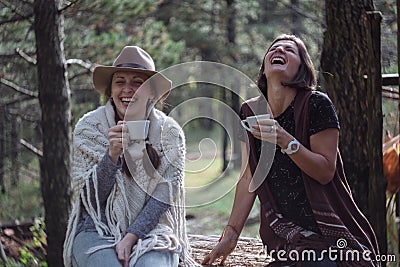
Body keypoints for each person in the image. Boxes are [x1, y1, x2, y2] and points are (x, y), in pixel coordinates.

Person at [202, 34, 380, 267]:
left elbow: (325, 171)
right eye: (274, 49)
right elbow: (248, 178)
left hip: (332, 239)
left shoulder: (317, 104)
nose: (280, 51)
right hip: (288, 240)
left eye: (290, 50)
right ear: (264, 69)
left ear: (302, 69)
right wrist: (231, 235)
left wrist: (285, 140)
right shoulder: (250, 111)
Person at [63, 46, 199, 267]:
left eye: (137, 82)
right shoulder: (90, 128)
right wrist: (112, 156)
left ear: (152, 92)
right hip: (97, 228)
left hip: (154, 231)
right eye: (120, 82)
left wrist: (132, 235)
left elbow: (164, 195)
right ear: (110, 90)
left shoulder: (170, 133)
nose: (128, 90)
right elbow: (89, 201)